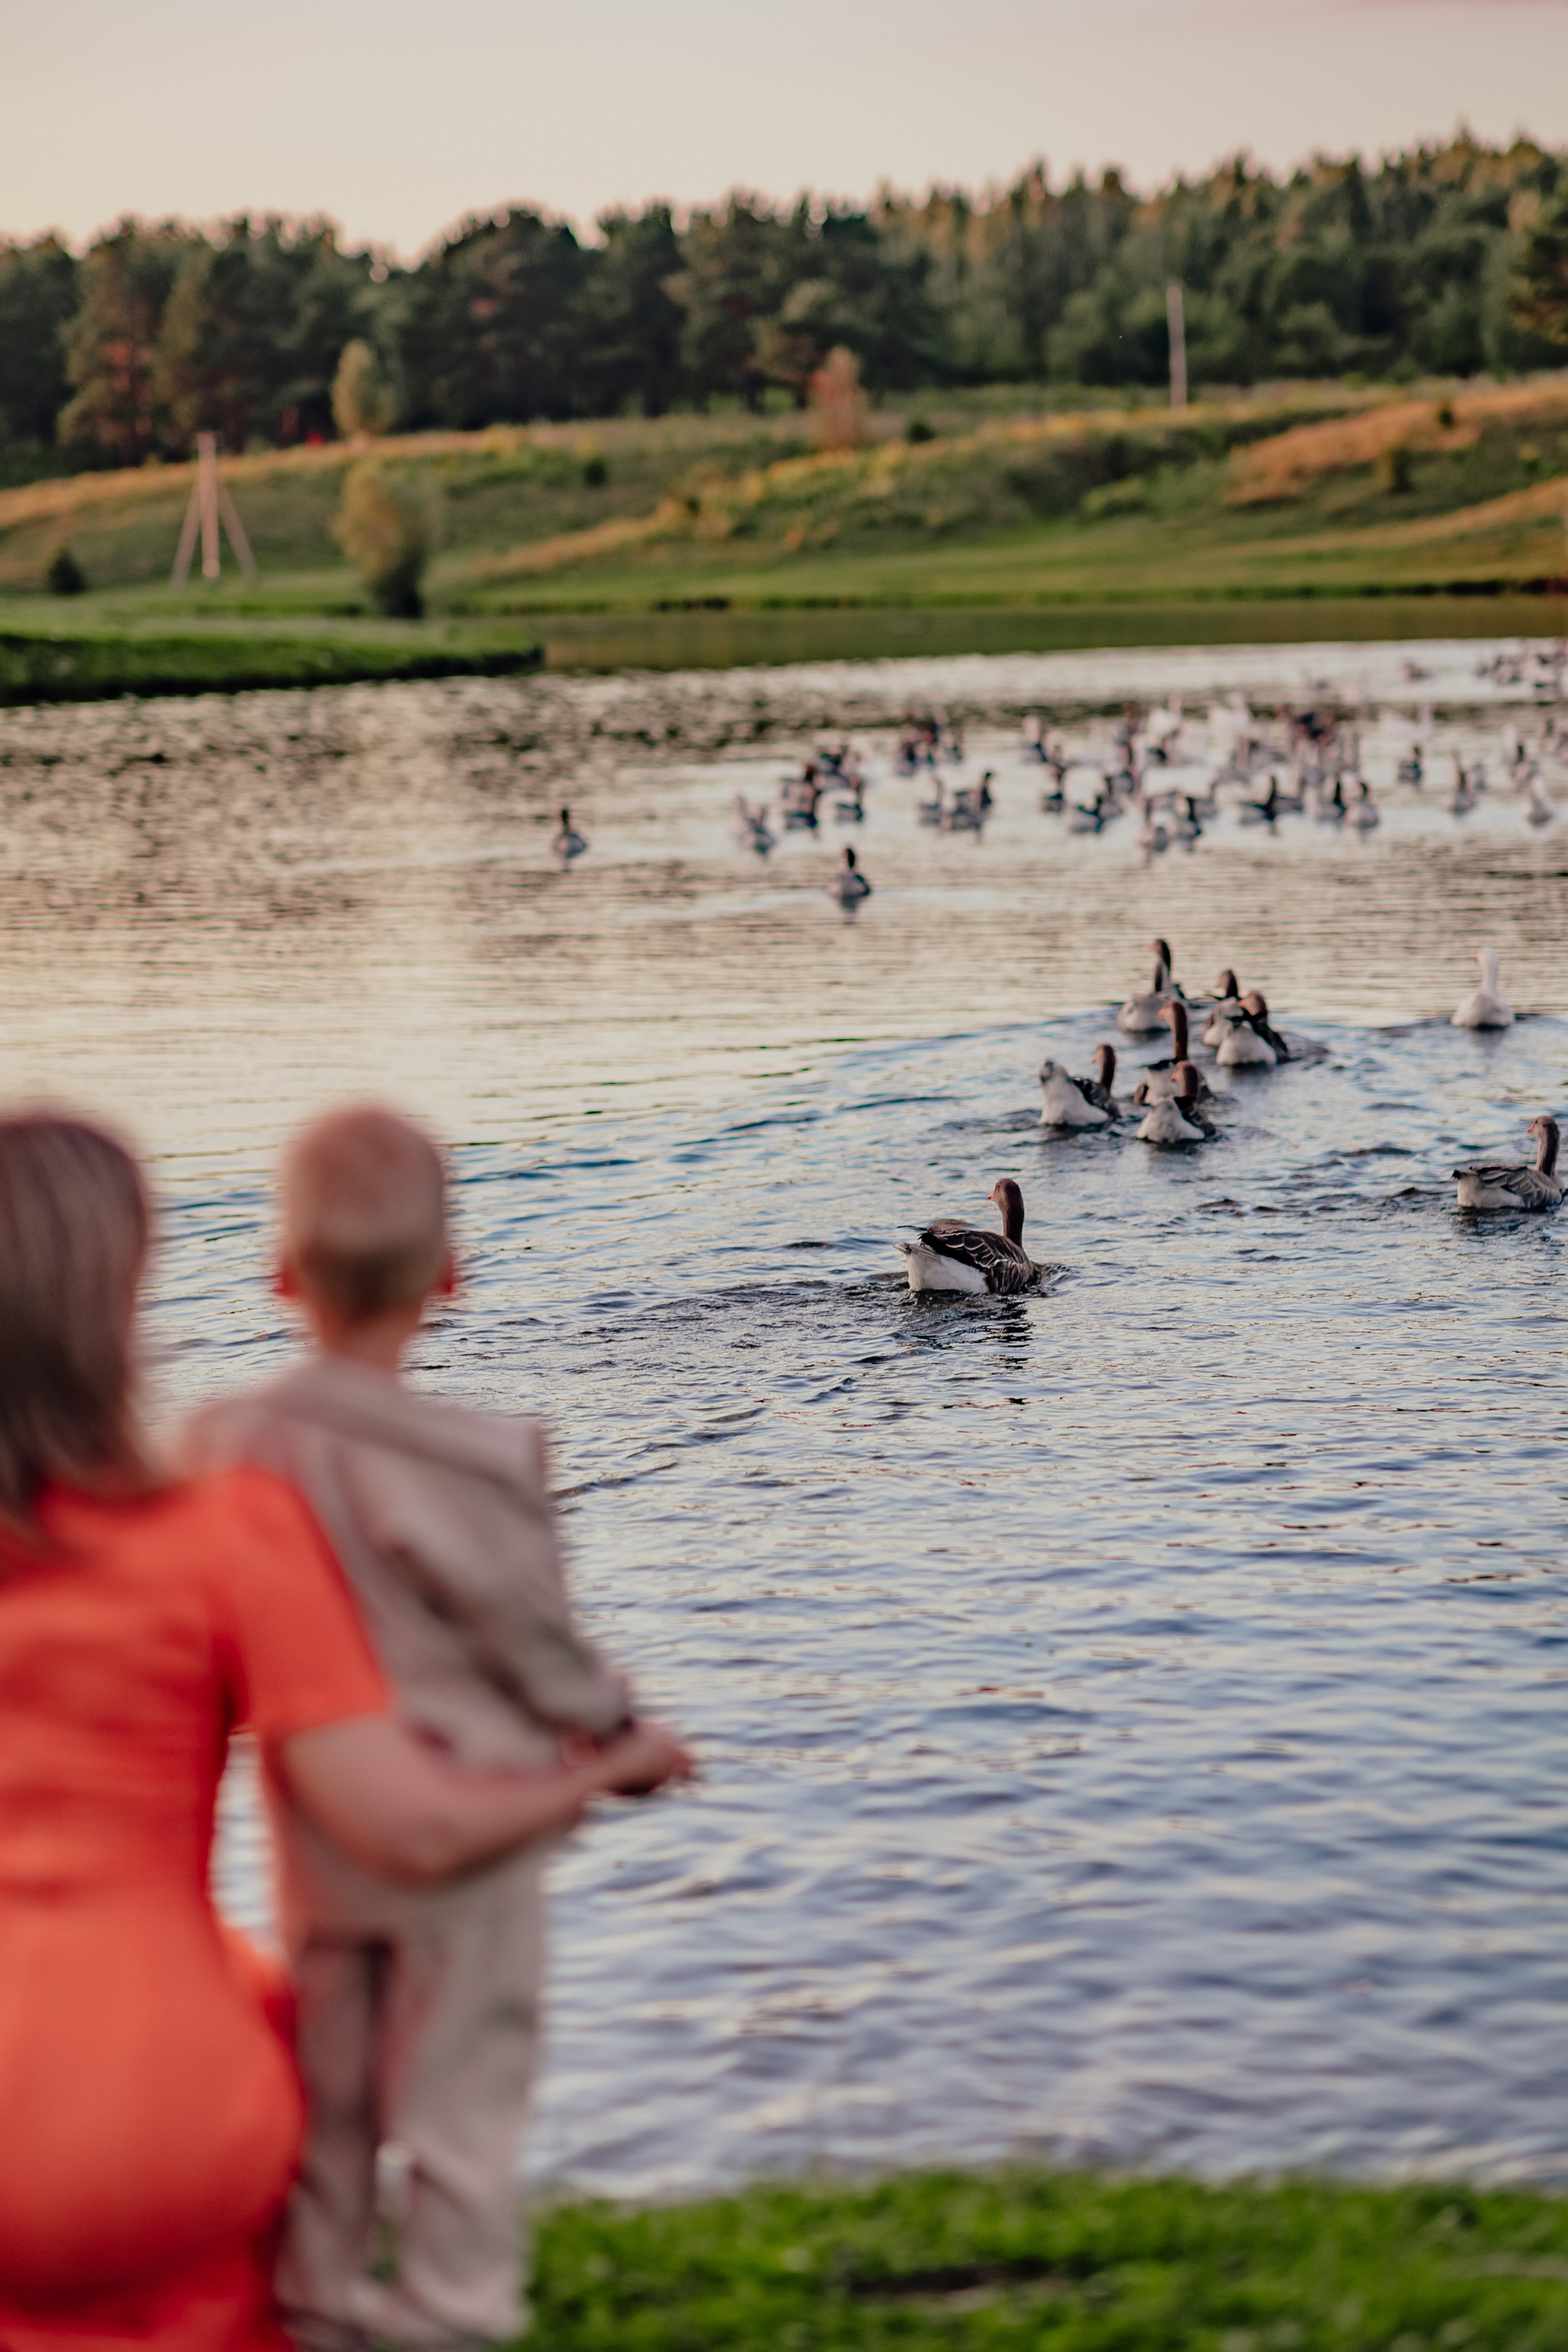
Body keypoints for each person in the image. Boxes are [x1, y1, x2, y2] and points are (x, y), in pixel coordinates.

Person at [0, 1110, 689, 2352]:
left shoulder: (234, 1456)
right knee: (417, 2104)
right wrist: (613, 1756)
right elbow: (419, 1814)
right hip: (145, 2109)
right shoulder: (219, 1529)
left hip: (259, 1958)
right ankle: (420, 2313)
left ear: (282, 1276)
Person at [180, 1105, 662, 2352]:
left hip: (323, 1840)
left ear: (278, 1277)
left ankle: (320, 2305)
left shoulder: (225, 1440)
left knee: (330, 2103)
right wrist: (611, 1731)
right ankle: (446, 2315)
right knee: (459, 2105)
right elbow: (530, 1637)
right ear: (450, 1277)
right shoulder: (487, 1455)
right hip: (480, 1848)